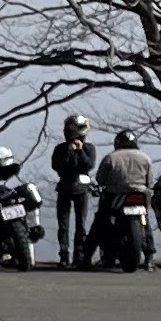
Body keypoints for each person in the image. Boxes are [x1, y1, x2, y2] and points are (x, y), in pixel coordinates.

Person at [96, 129, 158, 269]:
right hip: (141, 194)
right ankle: (149, 258)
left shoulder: (111, 158)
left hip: (116, 195)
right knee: (145, 222)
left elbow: (100, 179)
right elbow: (150, 182)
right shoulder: (145, 158)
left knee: (103, 221)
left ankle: (97, 254)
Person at [48, 113, 95, 268]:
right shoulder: (60, 148)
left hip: (81, 189)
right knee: (63, 225)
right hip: (65, 188)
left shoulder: (89, 148)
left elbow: (88, 165)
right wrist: (69, 151)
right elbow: (57, 166)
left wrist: (80, 151)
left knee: (81, 225)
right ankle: (63, 255)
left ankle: (79, 256)